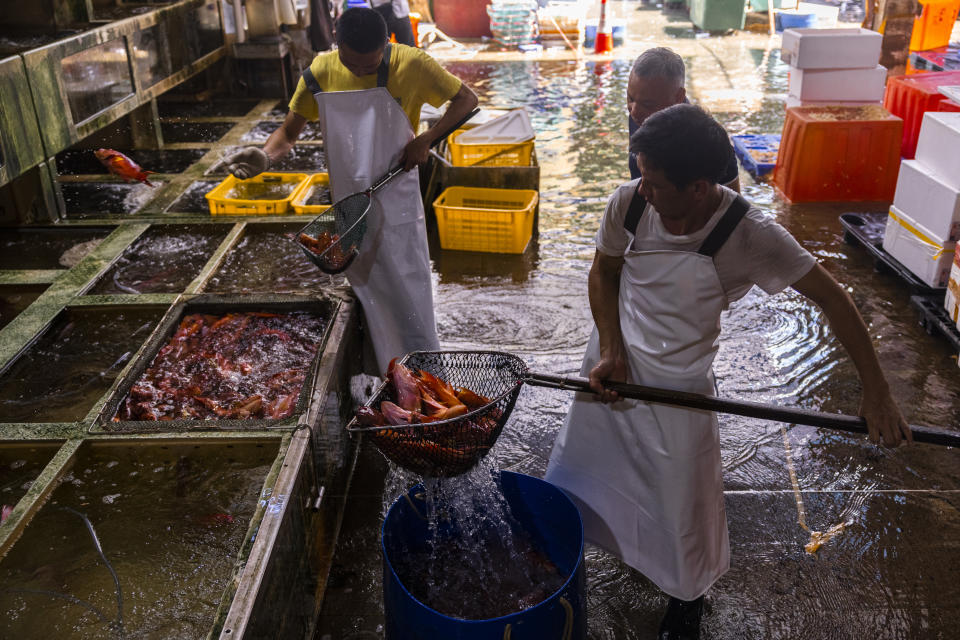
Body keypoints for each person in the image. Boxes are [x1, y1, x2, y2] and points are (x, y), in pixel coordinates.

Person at [545, 104, 910, 640]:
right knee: (591, 474)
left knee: (681, 506)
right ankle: (615, 549)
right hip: (613, 365)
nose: (641, 189)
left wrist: (877, 393)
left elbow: (834, 300)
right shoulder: (629, 202)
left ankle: (686, 599)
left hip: (681, 386)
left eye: (654, 182)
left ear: (698, 188)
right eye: (640, 175)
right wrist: (611, 347)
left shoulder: (750, 235)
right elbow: (604, 270)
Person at [218, 7, 478, 374]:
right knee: (361, 288)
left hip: (398, 198)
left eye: (369, 65)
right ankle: (376, 374)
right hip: (349, 202)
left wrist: (427, 139)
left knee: (408, 287)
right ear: (336, 44)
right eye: (352, 64)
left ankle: (423, 371)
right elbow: (288, 133)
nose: (360, 71)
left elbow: (467, 99)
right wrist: (264, 155)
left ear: (386, 45)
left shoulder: (413, 63)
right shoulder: (319, 73)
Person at [627, 47, 740, 193]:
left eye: (648, 104)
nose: (634, 110)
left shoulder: (708, 144)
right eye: (630, 98)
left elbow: (732, 208)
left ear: (678, 97)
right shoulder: (641, 115)